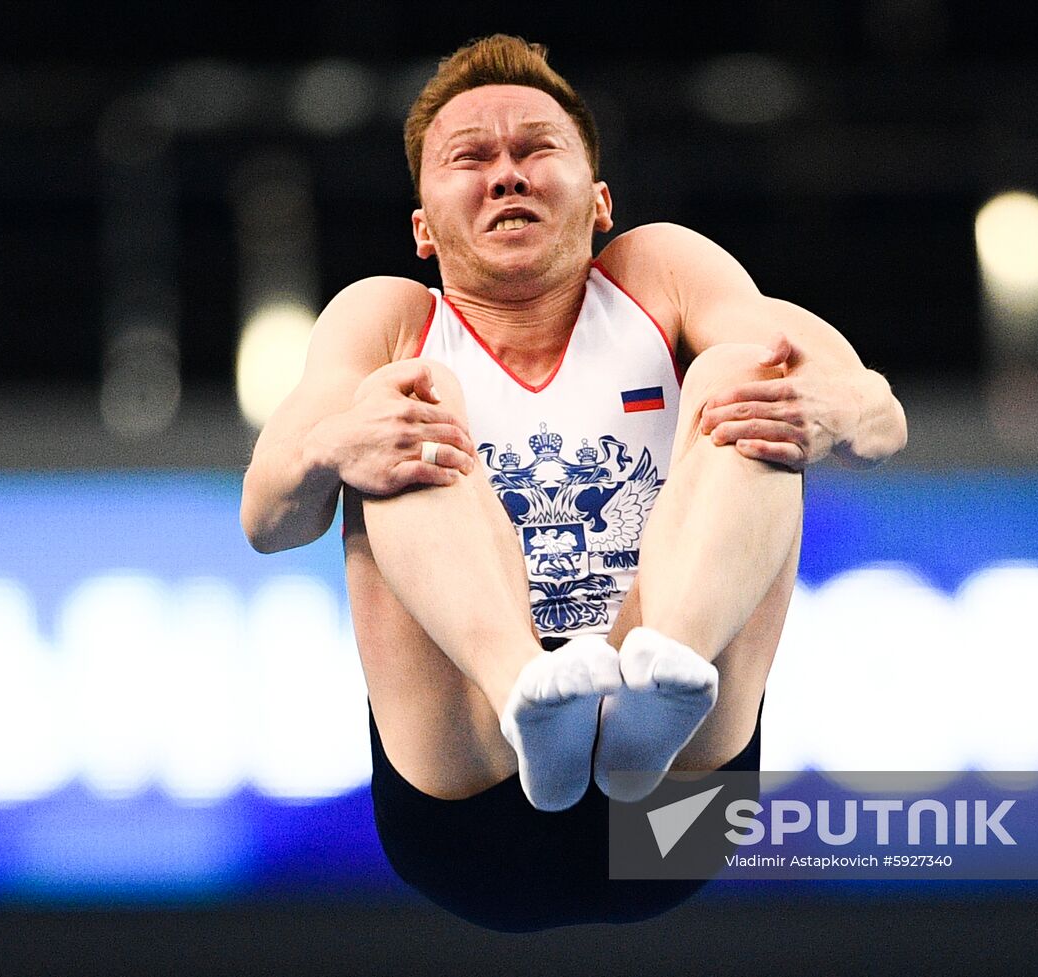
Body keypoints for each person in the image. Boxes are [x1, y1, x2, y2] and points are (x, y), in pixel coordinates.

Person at [240, 34, 907, 931]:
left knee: (749, 379)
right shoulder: (388, 317)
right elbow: (268, 517)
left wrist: (839, 414)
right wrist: (334, 450)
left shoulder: (661, 272)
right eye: (470, 157)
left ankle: (663, 678)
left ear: (599, 204)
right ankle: (524, 686)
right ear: (423, 228)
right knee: (399, 406)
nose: (505, 174)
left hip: (679, 796)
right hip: (466, 785)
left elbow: (871, 411)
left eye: (535, 149)